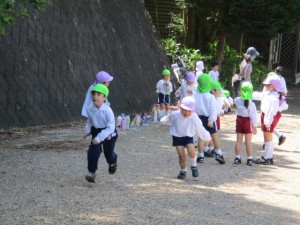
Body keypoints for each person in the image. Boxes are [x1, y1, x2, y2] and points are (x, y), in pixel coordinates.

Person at [160, 96, 211, 179]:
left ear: (193, 110)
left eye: (189, 111)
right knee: (181, 156)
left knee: (191, 151)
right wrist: (162, 121)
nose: (186, 113)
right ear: (180, 108)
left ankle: (194, 165)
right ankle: (183, 170)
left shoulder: (194, 117)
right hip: (177, 137)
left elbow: (200, 128)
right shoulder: (175, 114)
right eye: (184, 111)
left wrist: (207, 137)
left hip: (188, 136)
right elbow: (166, 120)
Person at [83, 84, 118, 182]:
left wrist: (99, 138)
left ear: (104, 97)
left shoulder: (108, 110)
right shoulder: (90, 109)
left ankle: (112, 162)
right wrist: (88, 131)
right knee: (93, 150)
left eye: (98, 94)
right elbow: (89, 121)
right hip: (96, 130)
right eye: (93, 94)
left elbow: (111, 127)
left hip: (108, 133)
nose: (95, 96)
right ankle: (92, 172)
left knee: (108, 154)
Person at [193, 74, 225, 164]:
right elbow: (213, 110)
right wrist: (211, 120)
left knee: (201, 137)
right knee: (215, 137)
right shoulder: (210, 97)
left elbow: (194, 108)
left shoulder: (195, 95)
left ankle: (200, 156)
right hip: (209, 119)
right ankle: (219, 154)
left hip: (199, 118)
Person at [253, 75, 284, 165]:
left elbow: (270, 111)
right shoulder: (272, 94)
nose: (265, 86)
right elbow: (260, 95)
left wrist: (267, 122)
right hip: (268, 117)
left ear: (273, 86)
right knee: (269, 139)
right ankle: (269, 157)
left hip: (268, 118)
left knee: (267, 139)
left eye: (267, 84)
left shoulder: (273, 98)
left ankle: (266, 158)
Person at [234, 82, 257, 166]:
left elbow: (236, 102)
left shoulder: (237, 100)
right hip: (248, 122)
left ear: (240, 91)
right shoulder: (252, 104)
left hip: (239, 120)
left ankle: (237, 157)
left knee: (239, 141)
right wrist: (254, 126)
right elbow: (253, 116)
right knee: (248, 142)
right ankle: (249, 158)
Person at [205, 81, 224, 157]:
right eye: (218, 90)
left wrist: (221, 112)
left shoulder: (218, 99)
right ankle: (212, 150)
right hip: (212, 119)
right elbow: (213, 110)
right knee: (212, 135)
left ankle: (210, 148)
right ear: (213, 90)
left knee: (210, 134)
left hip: (214, 118)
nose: (220, 91)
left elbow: (218, 109)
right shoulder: (211, 98)